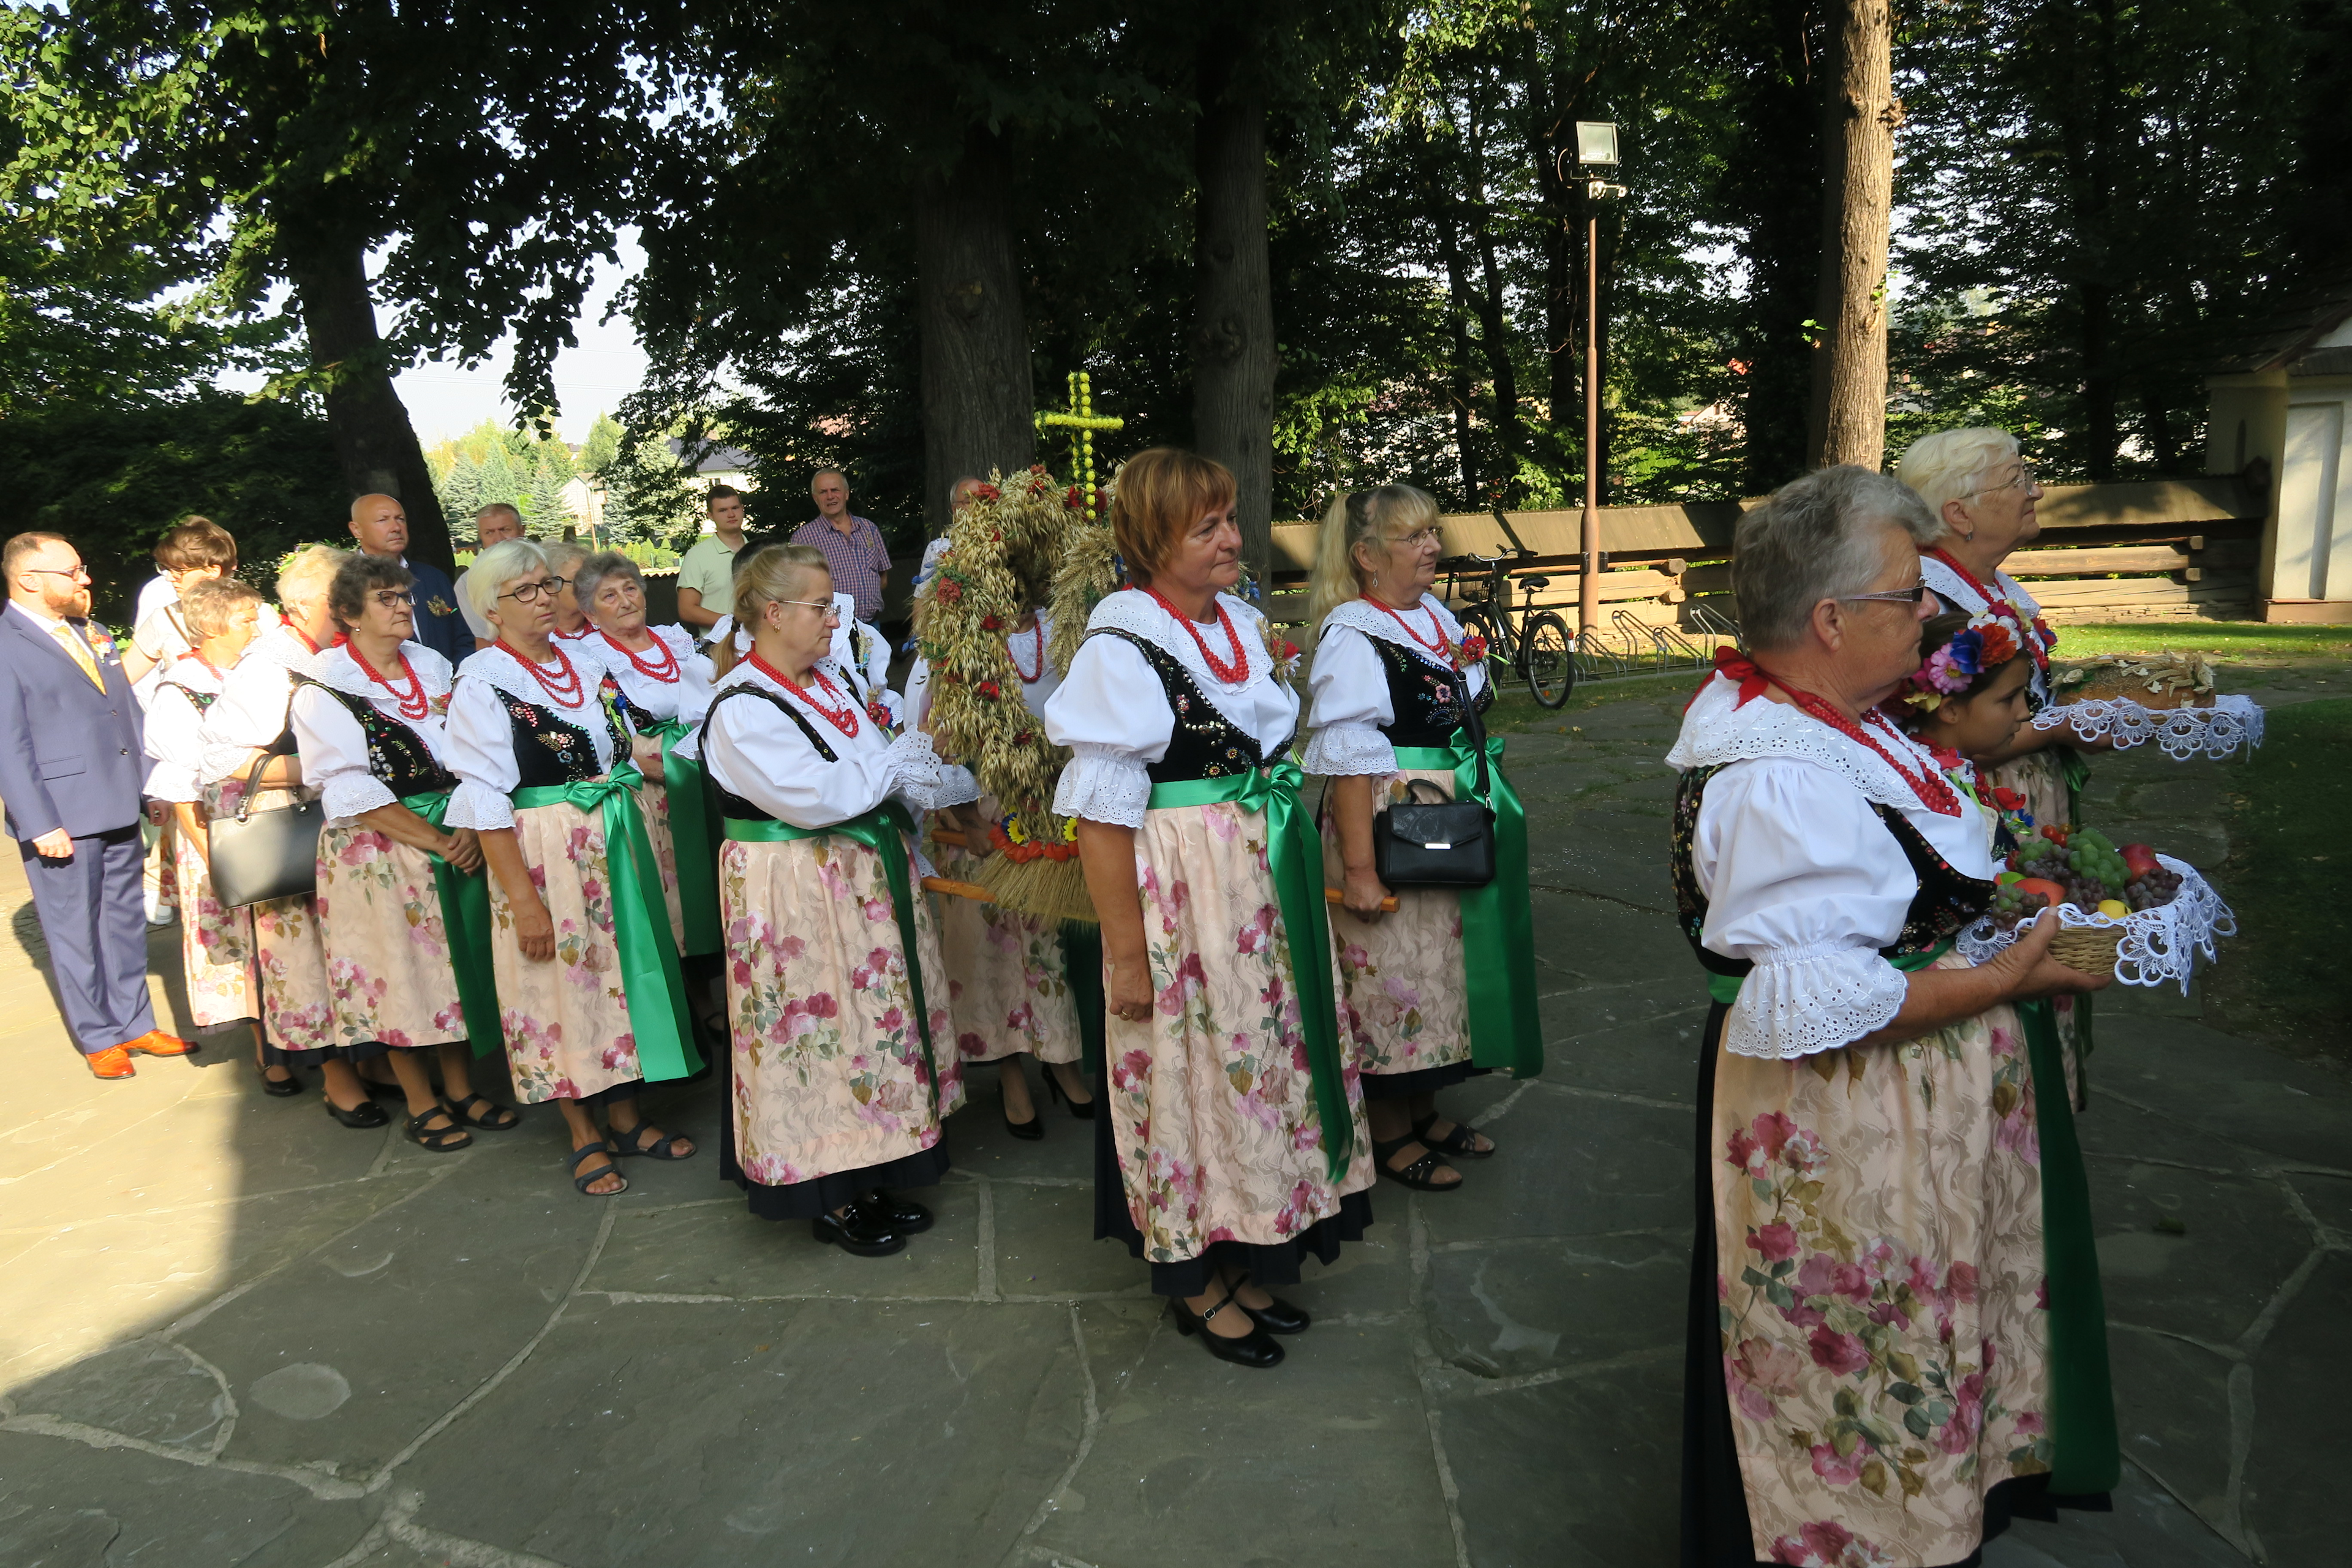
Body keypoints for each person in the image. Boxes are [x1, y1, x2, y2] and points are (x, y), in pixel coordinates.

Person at [1668, 466, 2107, 1567]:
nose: (1927, 611)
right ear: (1830, 620)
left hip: (1908, 1099)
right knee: (1856, 1355)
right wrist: (2008, 978)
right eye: (1908, 594)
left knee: (1920, 1338)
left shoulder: (1846, 725)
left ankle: (1920, 1523)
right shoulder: (1778, 775)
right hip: (1849, 1113)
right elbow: (1825, 999)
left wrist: (2010, 933)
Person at [1046, 447, 1373, 1370]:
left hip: (1256, 889)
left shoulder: (1235, 624)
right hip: (1184, 899)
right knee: (1191, 1072)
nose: (1232, 539)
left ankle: (1246, 1241)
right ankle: (1195, 1275)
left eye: (1230, 520)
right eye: (1208, 528)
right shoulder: (1121, 651)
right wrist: (1127, 957)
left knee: (1254, 1066)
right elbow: (1100, 823)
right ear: (1154, 543)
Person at [1893, 606, 2122, 1505]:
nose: (2025, 716)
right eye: (2010, 700)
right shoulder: (1914, 787)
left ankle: (2010, 1435)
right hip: (1952, 1029)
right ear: (1948, 706)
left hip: (1993, 1021)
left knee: (2006, 1234)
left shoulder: (1949, 774)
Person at [688, 543, 973, 1254]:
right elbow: (816, 796)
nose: (833, 620)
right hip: (790, 892)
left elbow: (869, 762)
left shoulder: (825, 684)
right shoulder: (743, 706)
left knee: (861, 1029)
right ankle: (826, 1194)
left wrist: (920, 760)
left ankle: (869, 1171)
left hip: (847, 880)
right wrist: (903, 756)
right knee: (809, 1032)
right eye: (820, 607)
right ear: (773, 613)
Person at [1303, 483, 1547, 1192]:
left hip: (1443, 817)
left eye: (1432, 531)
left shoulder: (1434, 618)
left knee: (1439, 972)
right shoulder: (1355, 634)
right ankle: (1388, 1131)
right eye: (1412, 536)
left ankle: (1424, 1109)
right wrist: (1359, 868)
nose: (1432, 546)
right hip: (1388, 820)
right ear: (1366, 556)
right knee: (1391, 973)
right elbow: (1351, 763)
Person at [445, 539, 700, 1197]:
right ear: (492, 610)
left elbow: (627, 743)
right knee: (561, 984)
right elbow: (485, 801)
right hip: (544, 853)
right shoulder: (482, 684)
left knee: (621, 976)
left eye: (546, 585)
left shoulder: (583, 662)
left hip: (614, 836)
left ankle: (626, 1117)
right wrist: (523, 902)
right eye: (524, 591)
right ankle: (583, 1130)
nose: (543, 599)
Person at [1898, 428, 2106, 1106]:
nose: (2036, 492)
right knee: (2002, 953)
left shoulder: (1994, 589)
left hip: (2025, 802)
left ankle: (2041, 1115)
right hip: (1979, 813)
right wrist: (2064, 726)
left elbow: (2018, 703)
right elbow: (1948, 734)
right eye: (2017, 480)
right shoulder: (1933, 602)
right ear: (1959, 512)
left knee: (2043, 935)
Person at [292, 552, 518, 1152]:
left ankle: (461, 1088)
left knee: (451, 968)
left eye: (404, 596)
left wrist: (465, 821)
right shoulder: (325, 684)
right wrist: (437, 840)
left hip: (450, 829)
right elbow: (347, 787)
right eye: (386, 599)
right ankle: (421, 1102)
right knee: (399, 974)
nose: (403, 607)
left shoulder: (431, 663)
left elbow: (469, 749)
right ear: (349, 614)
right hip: (379, 848)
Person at [905, 567, 1094, 1137]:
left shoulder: (1065, 629)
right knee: (984, 945)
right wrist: (966, 818)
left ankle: (1059, 1057)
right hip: (979, 809)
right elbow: (936, 737)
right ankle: (1009, 1069)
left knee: (1045, 938)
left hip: (1046, 805)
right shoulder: (960, 642)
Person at [0, 532, 194, 1077]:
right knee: (75, 932)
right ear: (28, 580)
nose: (84, 578)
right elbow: (8, 744)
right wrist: (40, 823)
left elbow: (125, 711)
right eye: (71, 571)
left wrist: (149, 787)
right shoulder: (6, 643)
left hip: (117, 799)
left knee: (125, 921)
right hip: (61, 815)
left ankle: (135, 1022)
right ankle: (99, 1036)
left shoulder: (93, 631)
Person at [200, 545, 375, 1118]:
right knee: (302, 955)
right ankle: (335, 1075)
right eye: (339, 596)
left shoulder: (332, 653)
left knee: (348, 944)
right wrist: (328, 765)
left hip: (331, 818)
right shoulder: (270, 665)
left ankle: (365, 1057)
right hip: (287, 830)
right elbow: (222, 757)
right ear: (302, 606)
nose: (352, 604)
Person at [143, 578, 274, 1086]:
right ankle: (266, 1049)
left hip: (274, 824)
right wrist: (217, 858)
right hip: (218, 832)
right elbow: (180, 789)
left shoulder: (259, 670)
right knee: (243, 943)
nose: (257, 628)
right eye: (247, 619)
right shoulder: (181, 688)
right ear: (215, 627)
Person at [573, 549, 719, 958]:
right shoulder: (587, 658)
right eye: (609, 596)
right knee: (674, 883)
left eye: (630, 589)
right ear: (589, 613)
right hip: (650, 782)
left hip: (707, 769)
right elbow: (596, 729)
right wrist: (647, 763)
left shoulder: (676, 640)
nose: (625, 601)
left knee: (714, 867)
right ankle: (685, 979)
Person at [348, 493, 469, 663]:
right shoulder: (346, 584)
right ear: (356, 530)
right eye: (383, 520)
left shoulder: (433, 578)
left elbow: (463, 639)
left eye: (400, 519)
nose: (396, 528)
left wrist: (456, 677)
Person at [122, 516, 240, 690]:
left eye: (179, 570)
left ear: (212, 571)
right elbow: (120, 682)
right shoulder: (164, 619)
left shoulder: (257, 616)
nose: (170, 578)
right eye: (167, 569)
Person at [791, 469, 891, 624]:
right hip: (831, 627)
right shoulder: (803, 538)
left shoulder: (869, 529)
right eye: (823, 492)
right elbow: (798, 589)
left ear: (846, 494)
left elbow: (883, 576)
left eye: (835, 490)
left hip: (872, 625)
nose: (830, 496)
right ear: (815, 498)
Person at [675, 485, 750, 636]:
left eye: (735, 508)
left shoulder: (758, 552)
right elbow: (687, 610)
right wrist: (734, 623)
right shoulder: (697, 556)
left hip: (762, 642)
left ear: (742, 509)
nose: (731, 514)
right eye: (722, 510)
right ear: (710, 515)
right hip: (719, 644)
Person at [454, 503, 526, 651]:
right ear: (481, 537)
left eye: (505, 530)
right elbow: (480, 639)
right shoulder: (468, 583)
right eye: (489, 533)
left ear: (522, 531)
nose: (498, 539)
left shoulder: (546, 569)